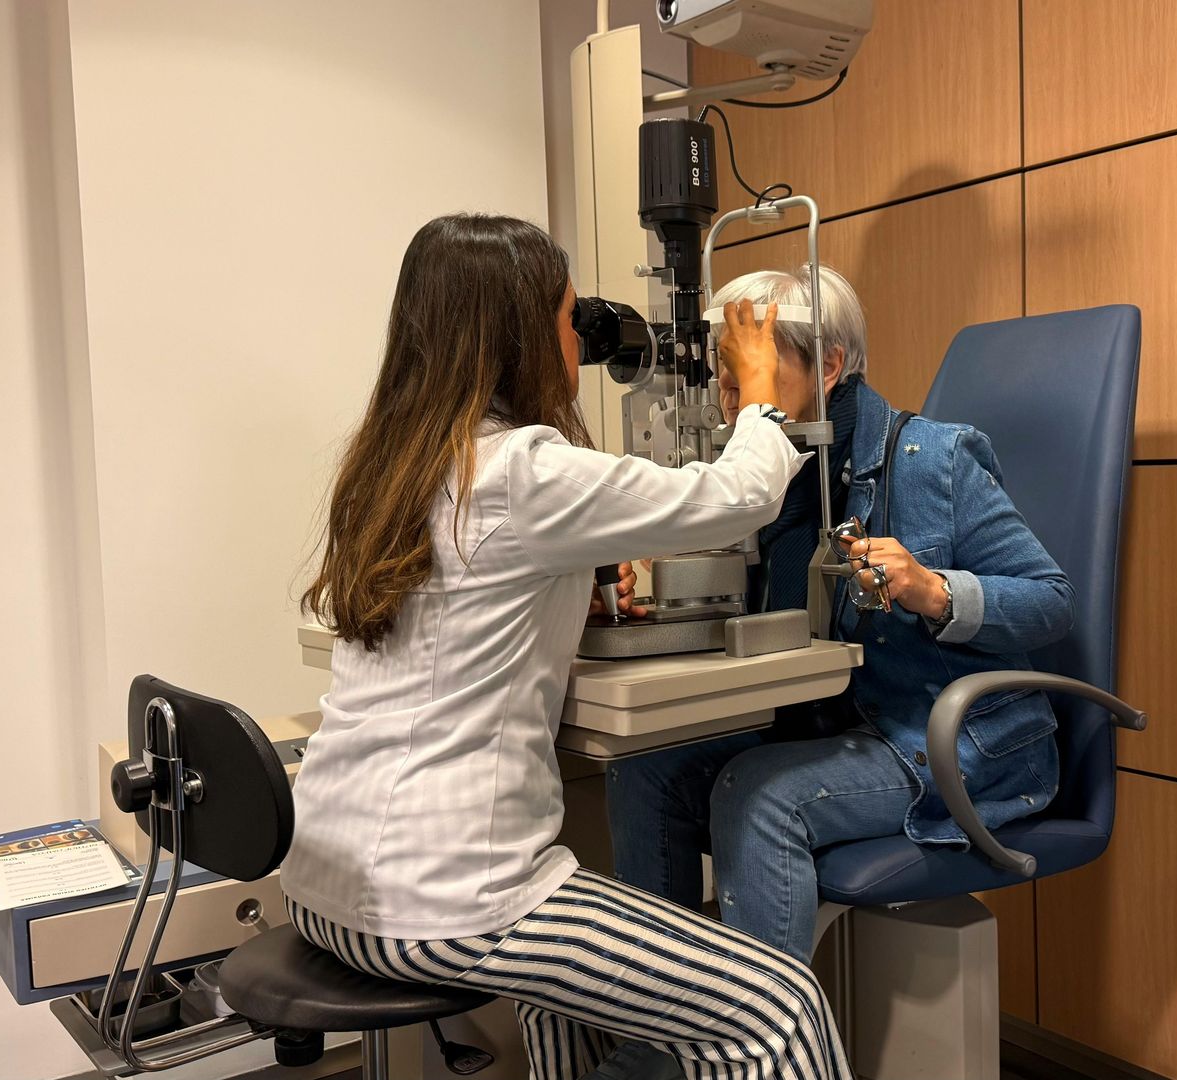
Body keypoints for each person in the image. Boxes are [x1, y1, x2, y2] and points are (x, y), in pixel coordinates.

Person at [280, 213, 854, 1080]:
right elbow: (736, 497)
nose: (575, 339)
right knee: (778, 1005)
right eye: (566, 316)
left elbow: (456, 598)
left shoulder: (390, 464)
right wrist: (763, 392)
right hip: (445, 901)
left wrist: (564, 584)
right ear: (521, 334)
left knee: (565, 994)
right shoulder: (521, 470)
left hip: (325, 885)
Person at [606, 266, 1074, 960]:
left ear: (826, 366)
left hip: (945, 742)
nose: (732, 410)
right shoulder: (779, 479)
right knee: (643, 770)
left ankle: (763, 1056)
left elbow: (1051, 599)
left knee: (759, 793)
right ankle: (666, 1032)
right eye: (727, 385)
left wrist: (933, 590)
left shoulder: (932, 460)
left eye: (753, 378)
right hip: (830, 730)